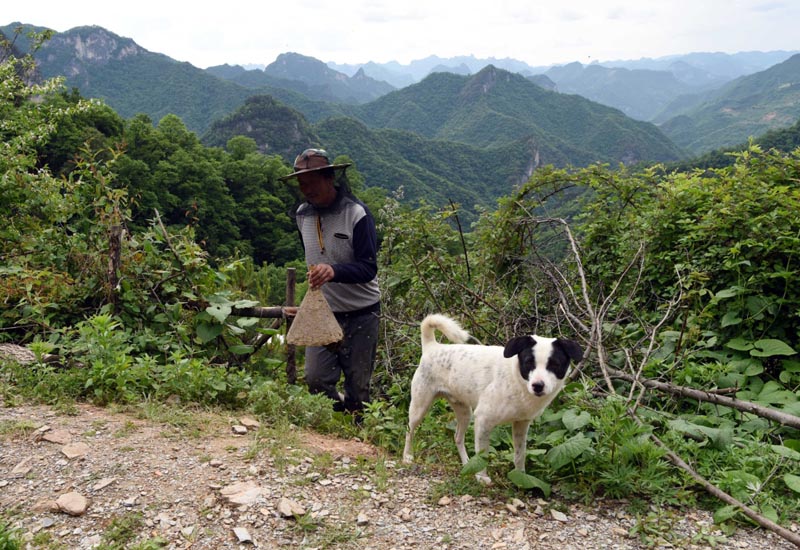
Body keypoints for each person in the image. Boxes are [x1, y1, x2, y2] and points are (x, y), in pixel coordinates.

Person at [279, 148, 381, 414]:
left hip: (362, 313)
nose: (307, 190)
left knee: (358, 386)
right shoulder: (302, 215)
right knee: (315, 378)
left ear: (329, 178)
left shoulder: (357, 214)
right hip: (323, 313)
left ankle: (359, 436)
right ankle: (337, 423)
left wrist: (334, 271)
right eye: (302, 184)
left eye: (311, 183)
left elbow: (369, 268)